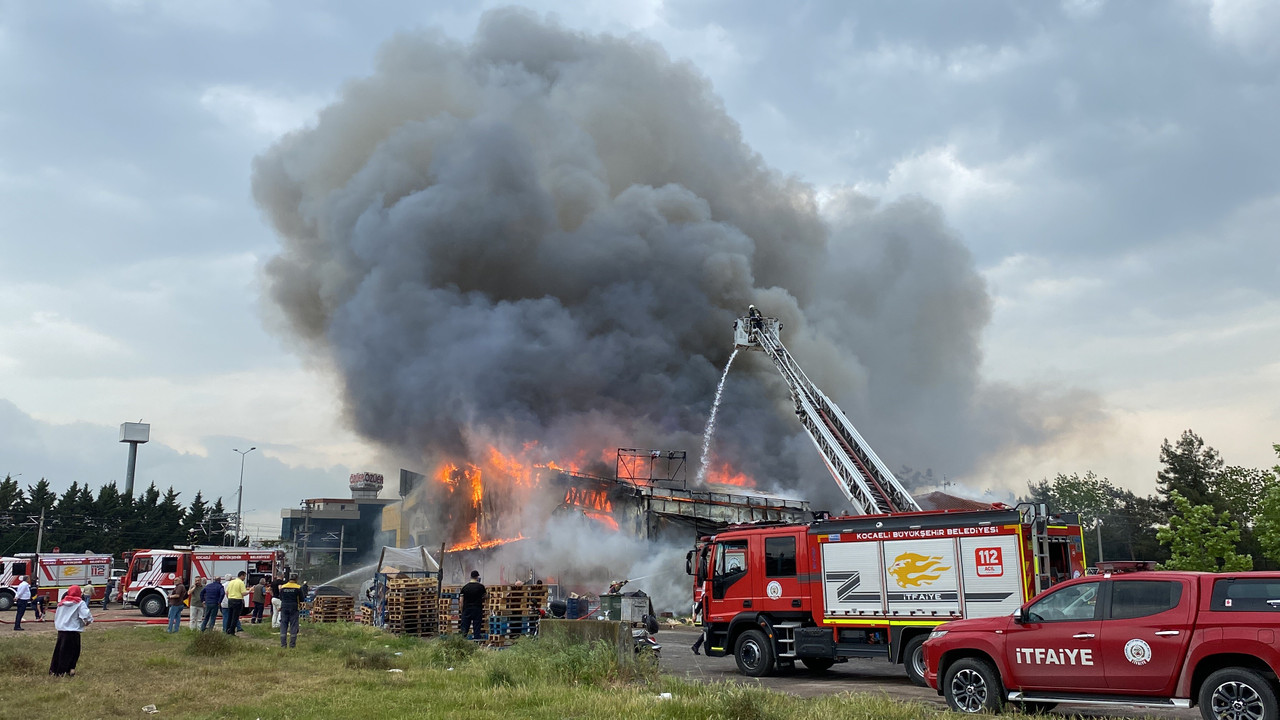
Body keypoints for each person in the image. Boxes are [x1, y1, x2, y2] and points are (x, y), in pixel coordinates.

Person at [49, 584, 93, 677]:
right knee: (72, 652)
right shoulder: (80, 603)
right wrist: (88, 621)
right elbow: (86, 615)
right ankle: (67, 670)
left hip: (61, 631)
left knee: (59, 651)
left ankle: (54, 670)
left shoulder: (61, 603)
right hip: (73, 631)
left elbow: (57, 616)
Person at [276, 573, 303, 649]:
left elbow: (280, 597)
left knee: (283, 625)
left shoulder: (283, 587)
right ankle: (292, 645)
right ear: (296, 579)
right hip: (294, 608)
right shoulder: (298, 587)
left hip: (284, 607)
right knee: (293, 625)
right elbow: (302, 599)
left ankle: (283, 644)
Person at [459, 570, 487, 641]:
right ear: (477, 577)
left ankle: (462, 642)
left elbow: (461, 601)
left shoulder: (465, 587)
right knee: (477, 628)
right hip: (477, 609)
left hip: (467, 609)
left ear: (471, 577)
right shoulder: (481, 587)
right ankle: (477, 643)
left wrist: (462, 610)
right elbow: (486, 596)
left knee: (464, 628)